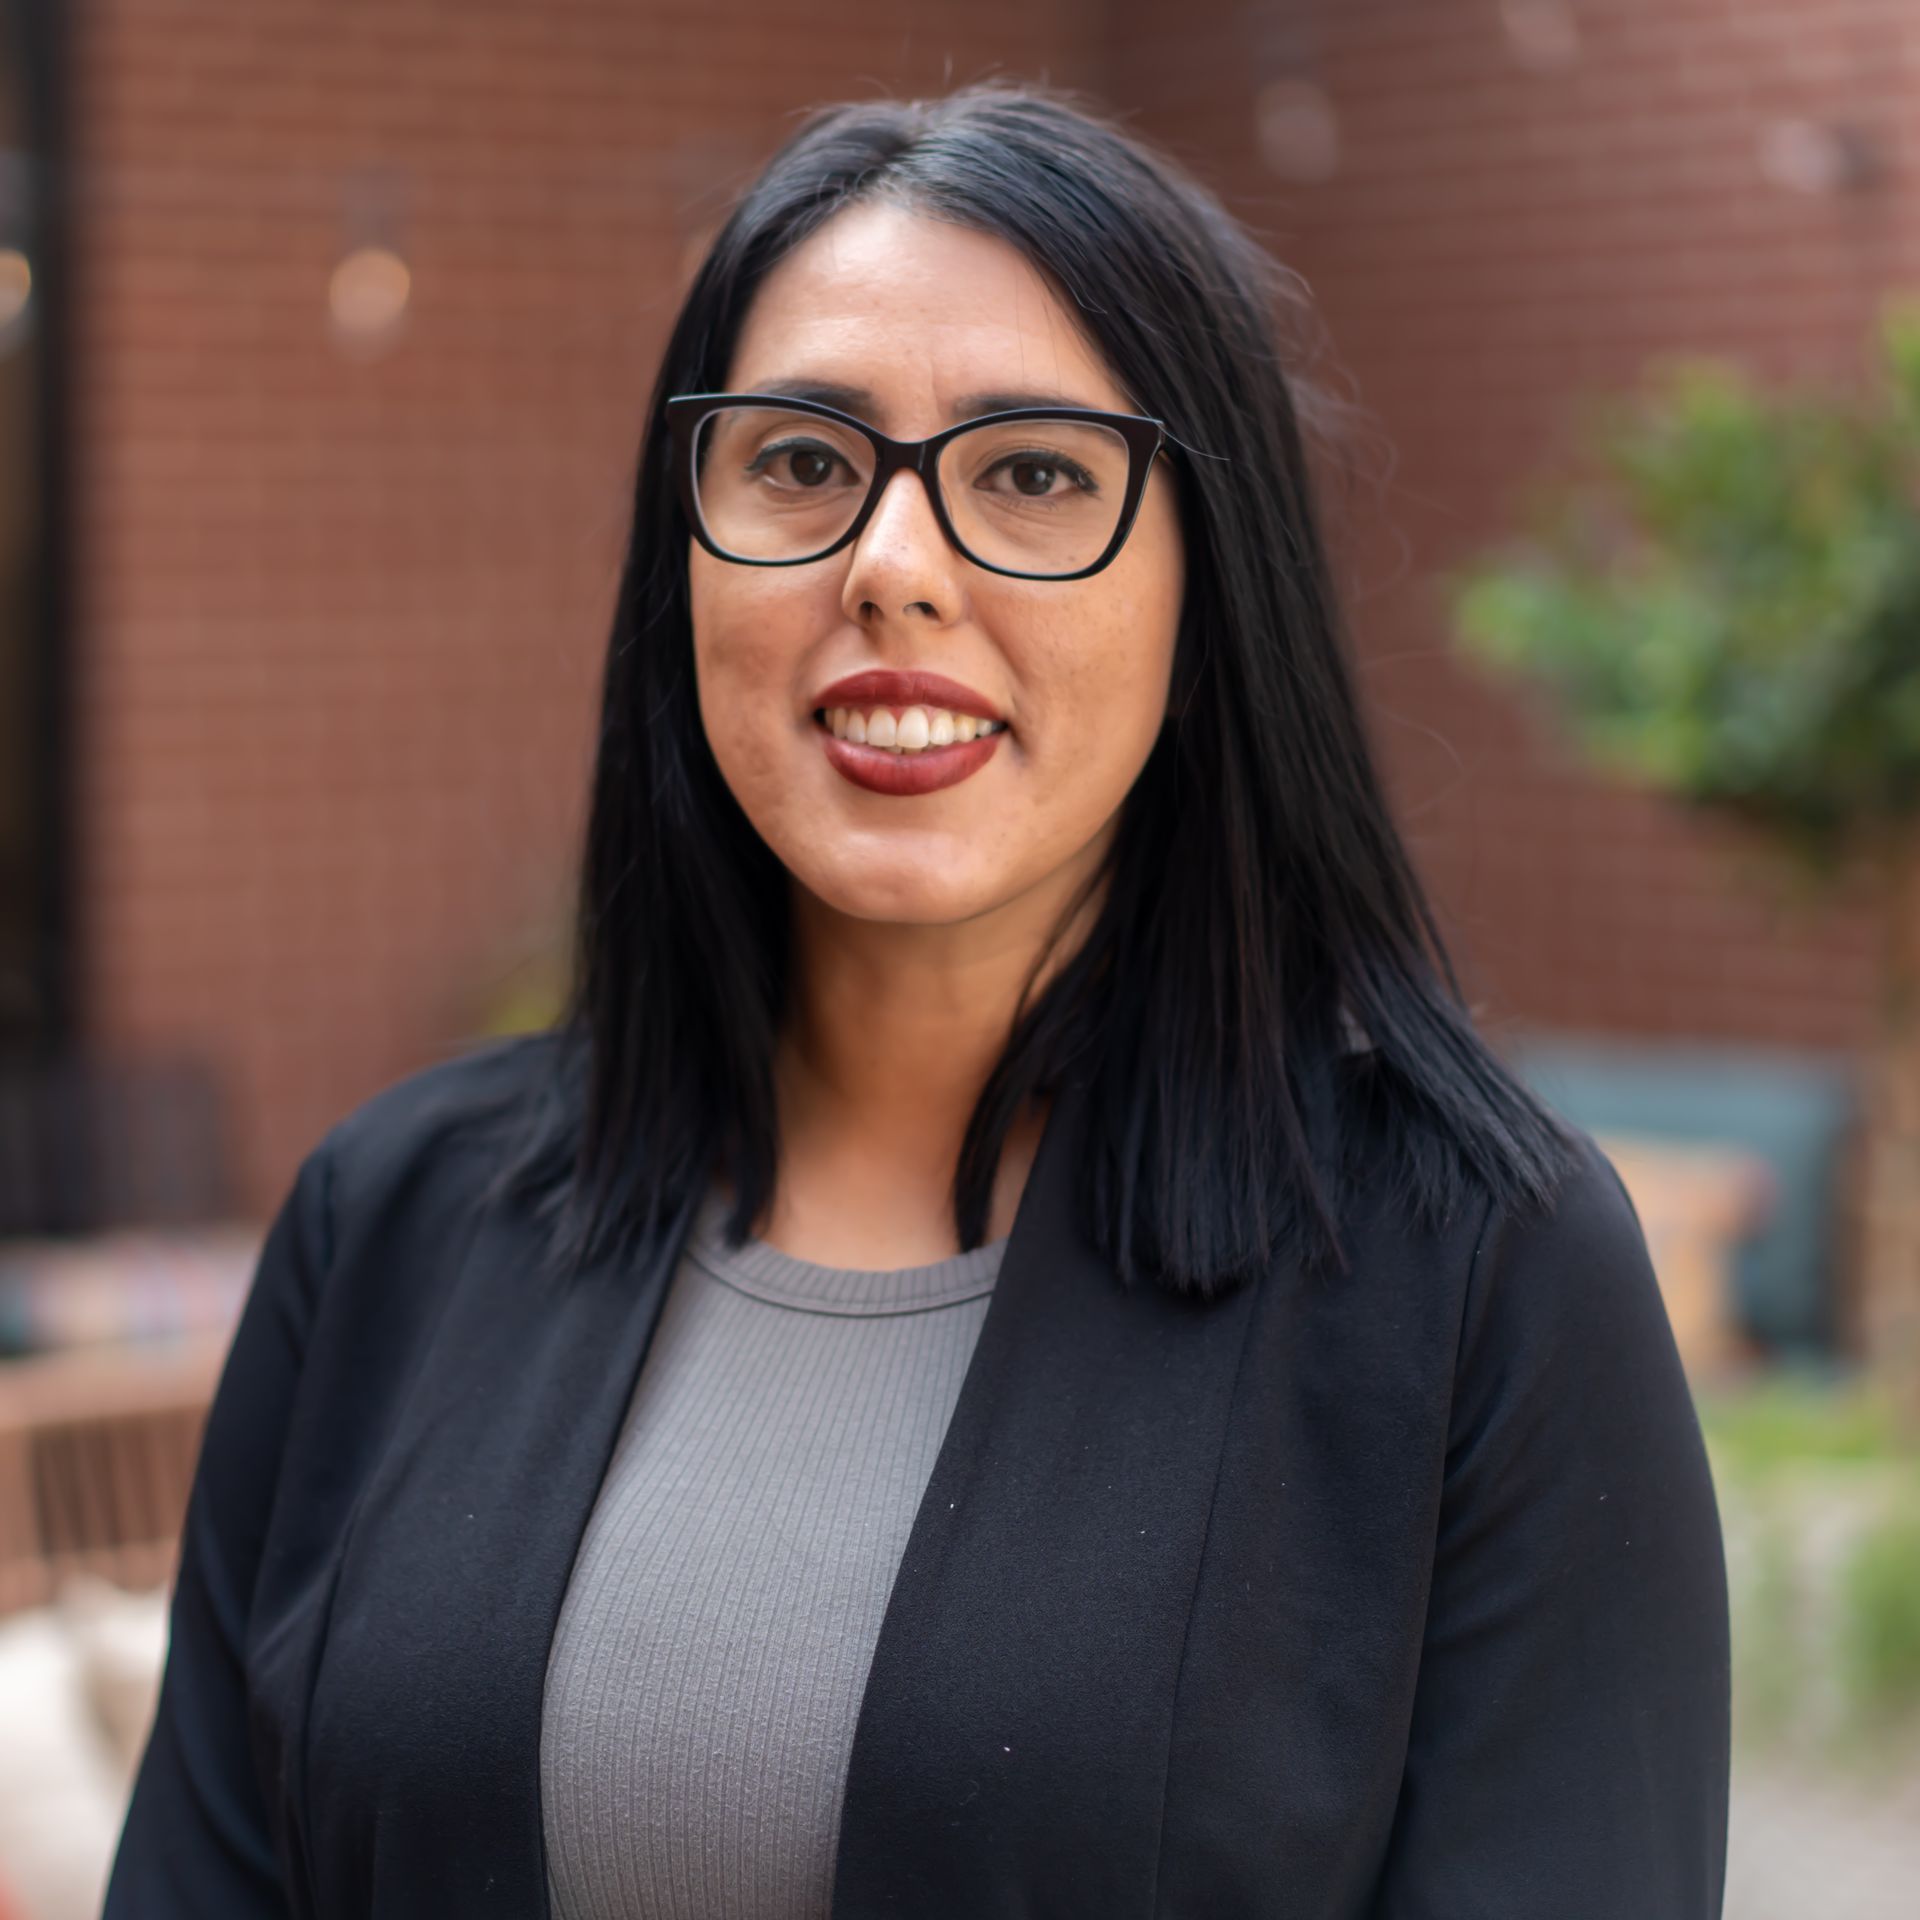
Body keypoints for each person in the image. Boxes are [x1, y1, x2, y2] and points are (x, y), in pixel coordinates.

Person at [103, 79, 1730, 1919]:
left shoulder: (1476, 1279)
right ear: (686, 557)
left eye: (1034, 473)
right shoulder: (390, 1225)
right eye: (799, 460)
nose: (892, 566)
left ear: (1214, 588)